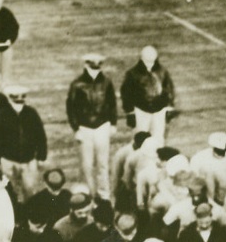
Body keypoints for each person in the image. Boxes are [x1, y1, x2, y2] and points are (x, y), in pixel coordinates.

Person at [66, 52, 118, 200]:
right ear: (85, 65)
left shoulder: (107, 82)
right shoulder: (77, 84)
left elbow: (112, 103)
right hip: (85, 128)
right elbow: (71, 108)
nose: (95, 69)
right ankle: (90, 194)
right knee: (87, 165)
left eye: (97, 66)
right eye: (91, 66)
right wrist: (76, 128)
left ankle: (104, 195)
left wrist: (113, 123)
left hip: (102, 126)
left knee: (103, 164)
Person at [0, 83, 48, 204]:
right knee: (9, 191)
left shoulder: (32, 113)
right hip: (8, 162)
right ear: (10, 98)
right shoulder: (1, 115)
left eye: (22, 97)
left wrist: (41, 156)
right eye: (16, 97)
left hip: (29, 161)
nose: (19, 100)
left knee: (31, 191)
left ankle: (30, 218)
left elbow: (40, 136)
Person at [120, 45, 175, 146]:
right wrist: (130, 111)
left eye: (152, 61)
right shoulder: (133, 73)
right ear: (142, 58)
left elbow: (168, 88)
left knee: (158, 139)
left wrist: (169, 107)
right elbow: (126, 94)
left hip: (159, 110)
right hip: (141, 110)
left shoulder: (162, 71)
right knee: (139, 139)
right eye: (147, 61)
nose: (150, 64)